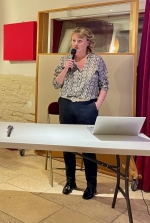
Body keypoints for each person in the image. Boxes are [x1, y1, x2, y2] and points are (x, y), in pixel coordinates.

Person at [53, 27, 109, 200]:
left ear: (88, 42)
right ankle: (70, 181)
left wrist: (96, 105)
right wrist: (65, 69)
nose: (75, 44)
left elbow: (104, 85)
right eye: (73, 40)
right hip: (66, 104)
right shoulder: (65, 60)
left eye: (79, 40)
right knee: (68, 144)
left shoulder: (97, 61)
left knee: (88, 146)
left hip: (87, 106)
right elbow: (56, 84)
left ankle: (91, 185)